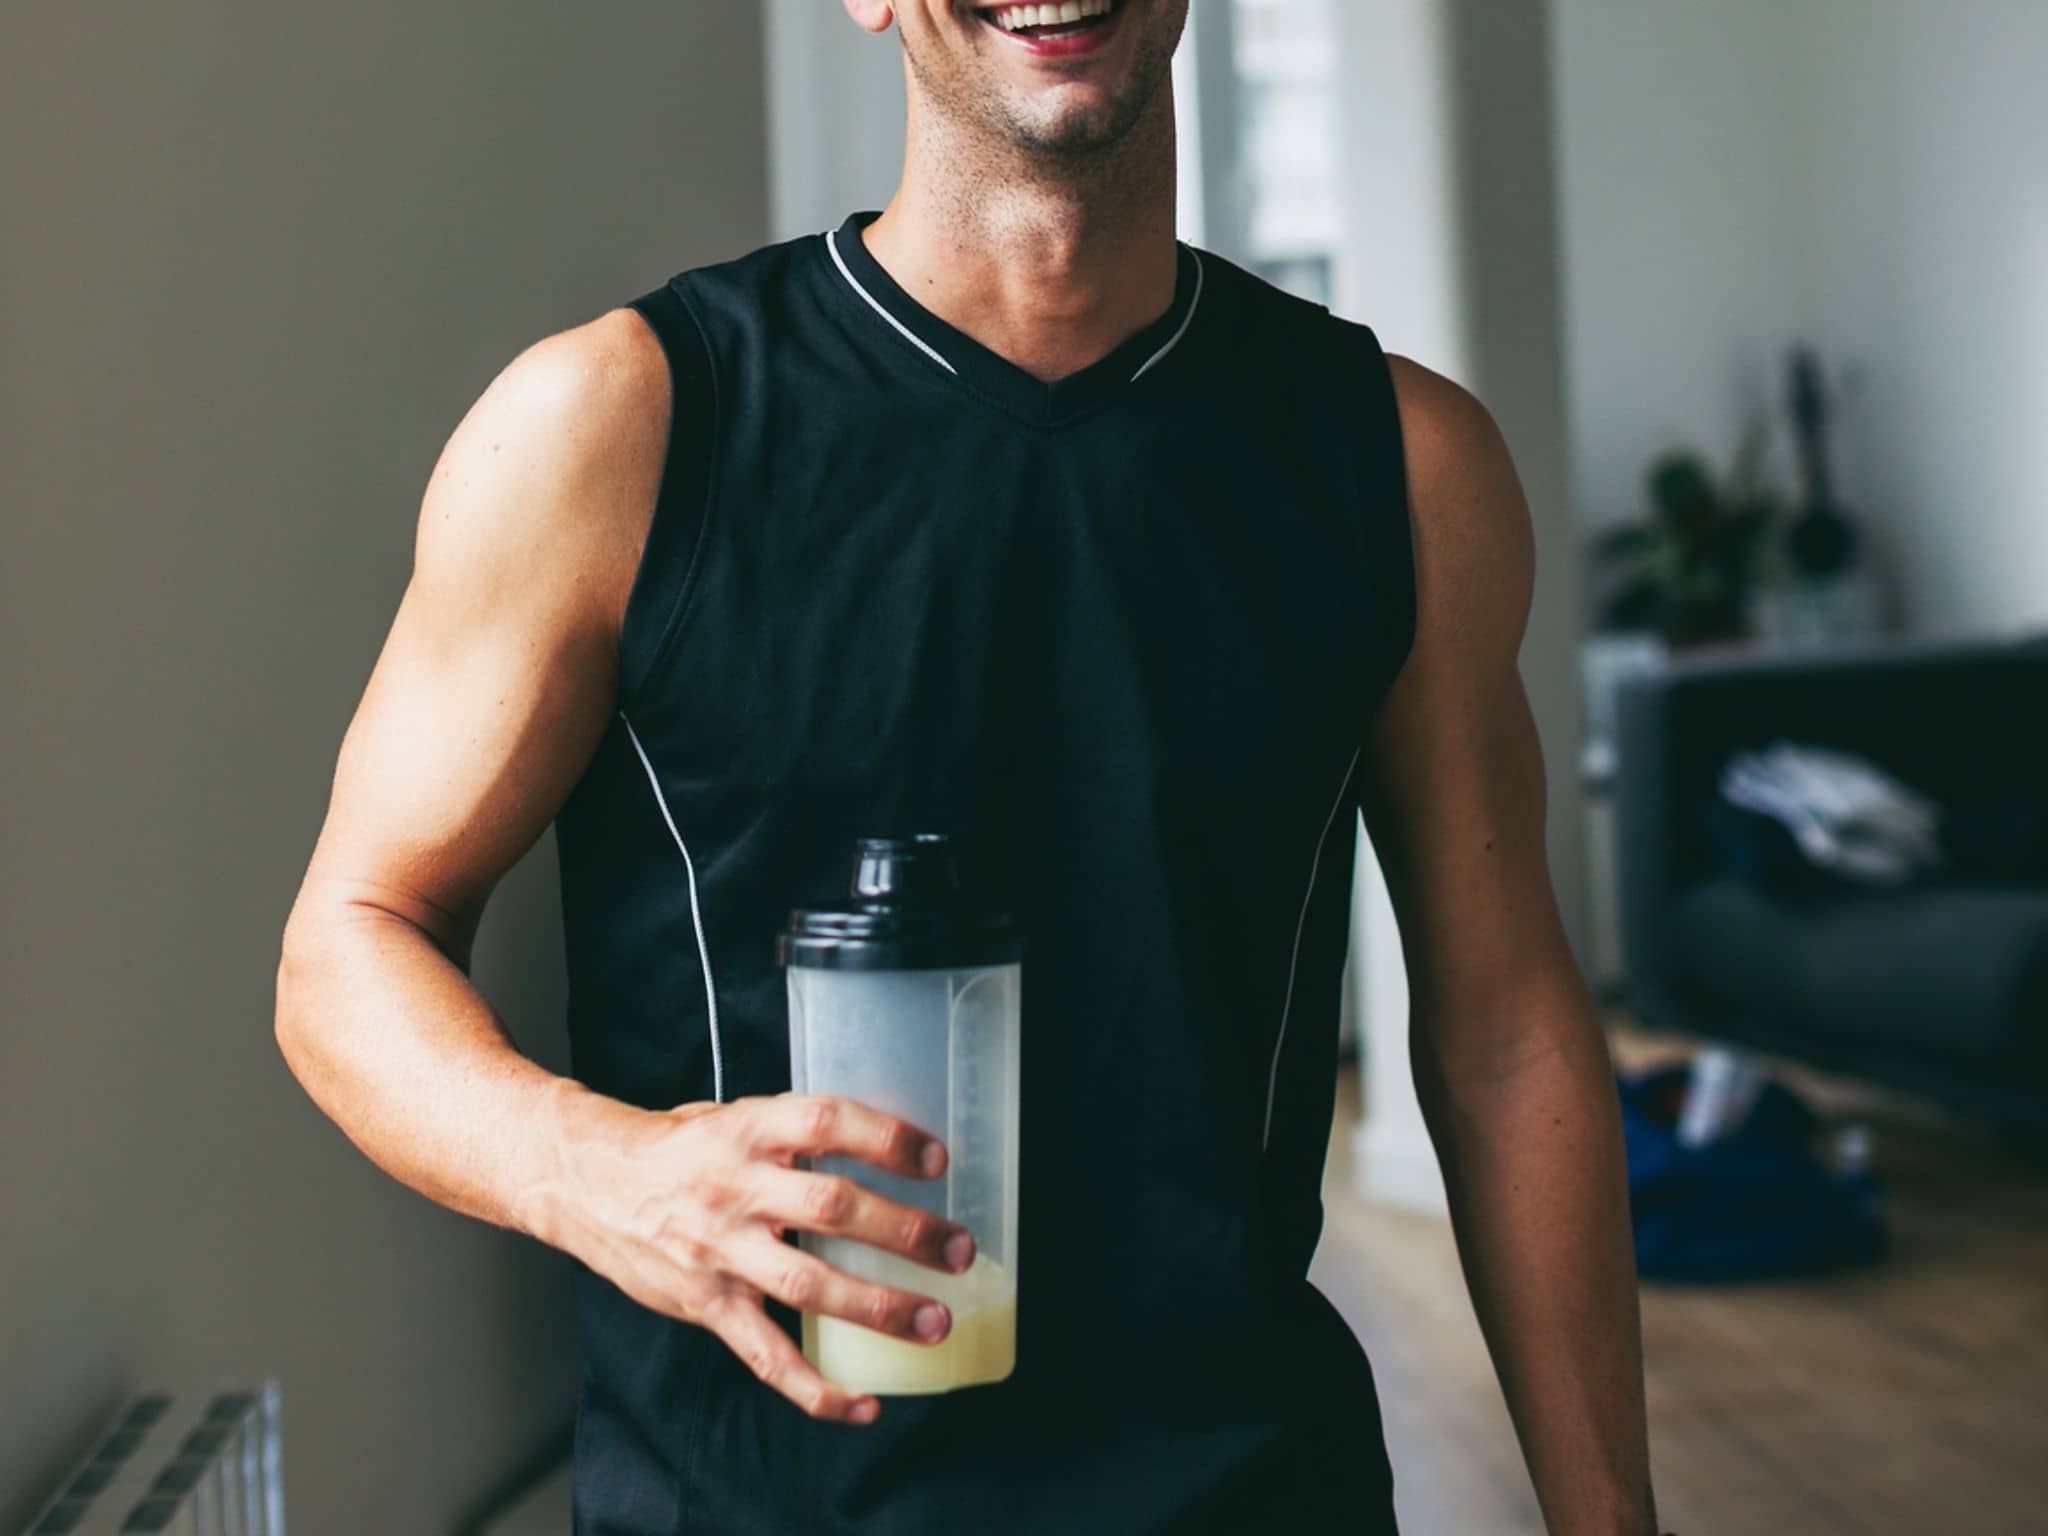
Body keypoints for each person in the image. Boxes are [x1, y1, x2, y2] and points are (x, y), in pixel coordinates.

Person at [274, 1, 1660, 1531]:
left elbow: (1506, 1031)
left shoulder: (1403, 466)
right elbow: (348, 944)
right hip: (754, 1504)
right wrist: (597, 1172)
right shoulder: (619, 427)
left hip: (1250, 1494)